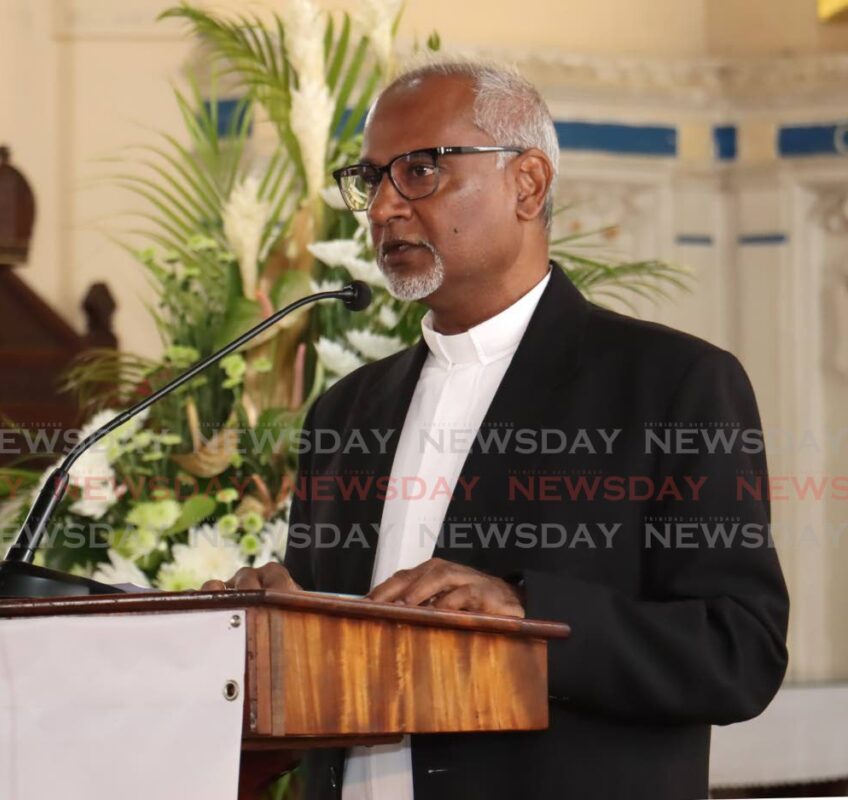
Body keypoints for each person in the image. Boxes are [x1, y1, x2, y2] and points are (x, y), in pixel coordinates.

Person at [204, 58, 789, 800]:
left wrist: (527, 613)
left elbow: (739, 653)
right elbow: (335, 653)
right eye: (372, 178)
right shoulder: (346, 412)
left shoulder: (671, 385)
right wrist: (277, 623)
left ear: (529, 183)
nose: (383, 208)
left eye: (419, 171)